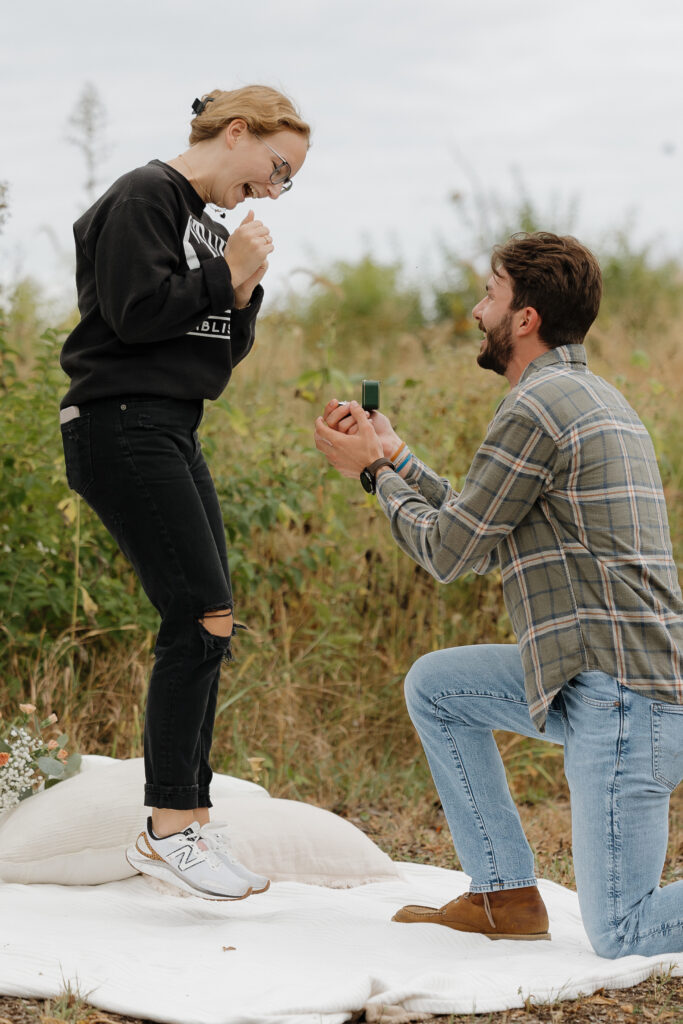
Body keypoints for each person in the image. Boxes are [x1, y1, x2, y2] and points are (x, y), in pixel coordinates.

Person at [314, 231, 683, 958]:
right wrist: (396, 459)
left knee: (623, 931)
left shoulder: (535, 408)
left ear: (525, 319)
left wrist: (370, 476)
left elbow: (449, 553)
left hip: (623, 701)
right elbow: (479, 527)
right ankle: (503, 895)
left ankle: (510, 895)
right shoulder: (580, 396)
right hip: (593, 677)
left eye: (490, 292)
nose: (475, 308)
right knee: (438, 686)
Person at [59, 85, 309, 900]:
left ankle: (187, 821)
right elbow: (134, 317)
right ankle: (169, 828)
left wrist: (241, 292)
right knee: (196, 616)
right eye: (277, 167)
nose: (273, 189)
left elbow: (209, 353)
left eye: (287, 181)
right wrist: (226, 272)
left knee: (214, 619)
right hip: (120, 422)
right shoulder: (145, 195)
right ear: (236, 132)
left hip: (169, 423)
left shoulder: (202, 220)